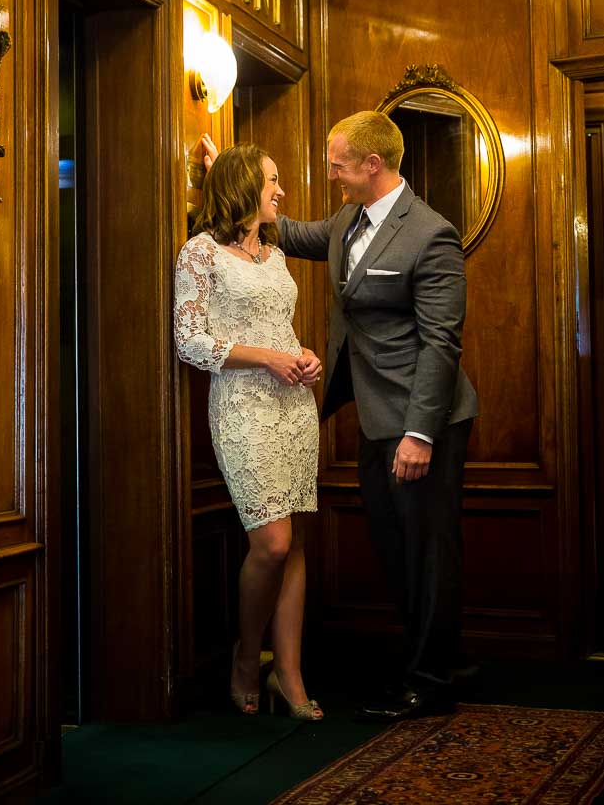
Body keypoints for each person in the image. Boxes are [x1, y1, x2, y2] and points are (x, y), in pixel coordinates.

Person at [201, 111, 478, 722]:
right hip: (375, 416)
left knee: (428, 550)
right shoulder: (349, 220)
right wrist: (232, 178)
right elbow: (291, 233)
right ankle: (430, 659)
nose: (329, 175)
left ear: (371, 166)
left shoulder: (430, 234)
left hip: (422, 421)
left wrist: (419, 434)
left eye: (337, 164)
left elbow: (441, 344)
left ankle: (431, 681)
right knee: (395, 543)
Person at [174, 144, 324, 722]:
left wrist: (303, 356)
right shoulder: (200, 253)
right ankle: (245, 657)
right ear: (242, 187)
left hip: (294, 408)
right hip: (241, 408)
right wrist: (266, 358)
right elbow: (190, 341)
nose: (281, 191)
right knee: (273, 543)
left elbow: (279, 327)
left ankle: (288, 673)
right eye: (272, 181)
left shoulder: (275, 253)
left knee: (297, 545)